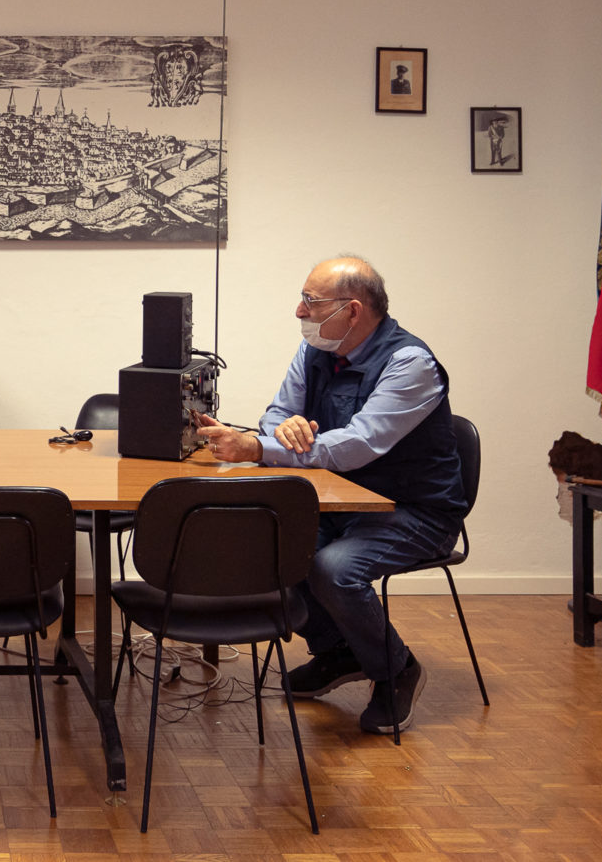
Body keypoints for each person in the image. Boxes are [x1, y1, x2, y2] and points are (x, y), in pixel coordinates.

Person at [196, 256, 467, 734]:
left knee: (333, 569)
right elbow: (277, 414)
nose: (300, 311)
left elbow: (358, 445)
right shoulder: (315, 349)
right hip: (339, 503)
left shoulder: (411, 364)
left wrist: (260, 447)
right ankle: (339, 651)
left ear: (353, 310)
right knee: (270, 544)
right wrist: (283, 429)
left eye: (311, 301)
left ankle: (396, 669)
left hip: (413, 512)